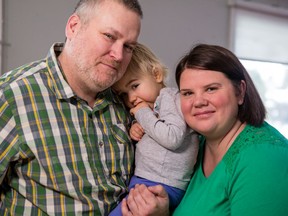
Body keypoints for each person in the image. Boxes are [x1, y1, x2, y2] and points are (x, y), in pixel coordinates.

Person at [0, 0, 142, 215]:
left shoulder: (127, 101)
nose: (119, 55)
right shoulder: (11, 96)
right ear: (74, 27)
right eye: (109, 36)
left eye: (128, 47)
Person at [121, 44, 288, 216]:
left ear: (240, 92)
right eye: (187, 93)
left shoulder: (265, 158)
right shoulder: (194, 146)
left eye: (211, 89)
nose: (198, 102)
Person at [110, 43, 199, 215]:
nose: (132, 98)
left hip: (161, 183)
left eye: (135, 86)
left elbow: (172, 137)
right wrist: (138, 126)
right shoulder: (154, 107)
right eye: (123, 94)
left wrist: (142, 114)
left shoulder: (170, 98)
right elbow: (157, 127)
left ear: (156, 74)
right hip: (149, 180)